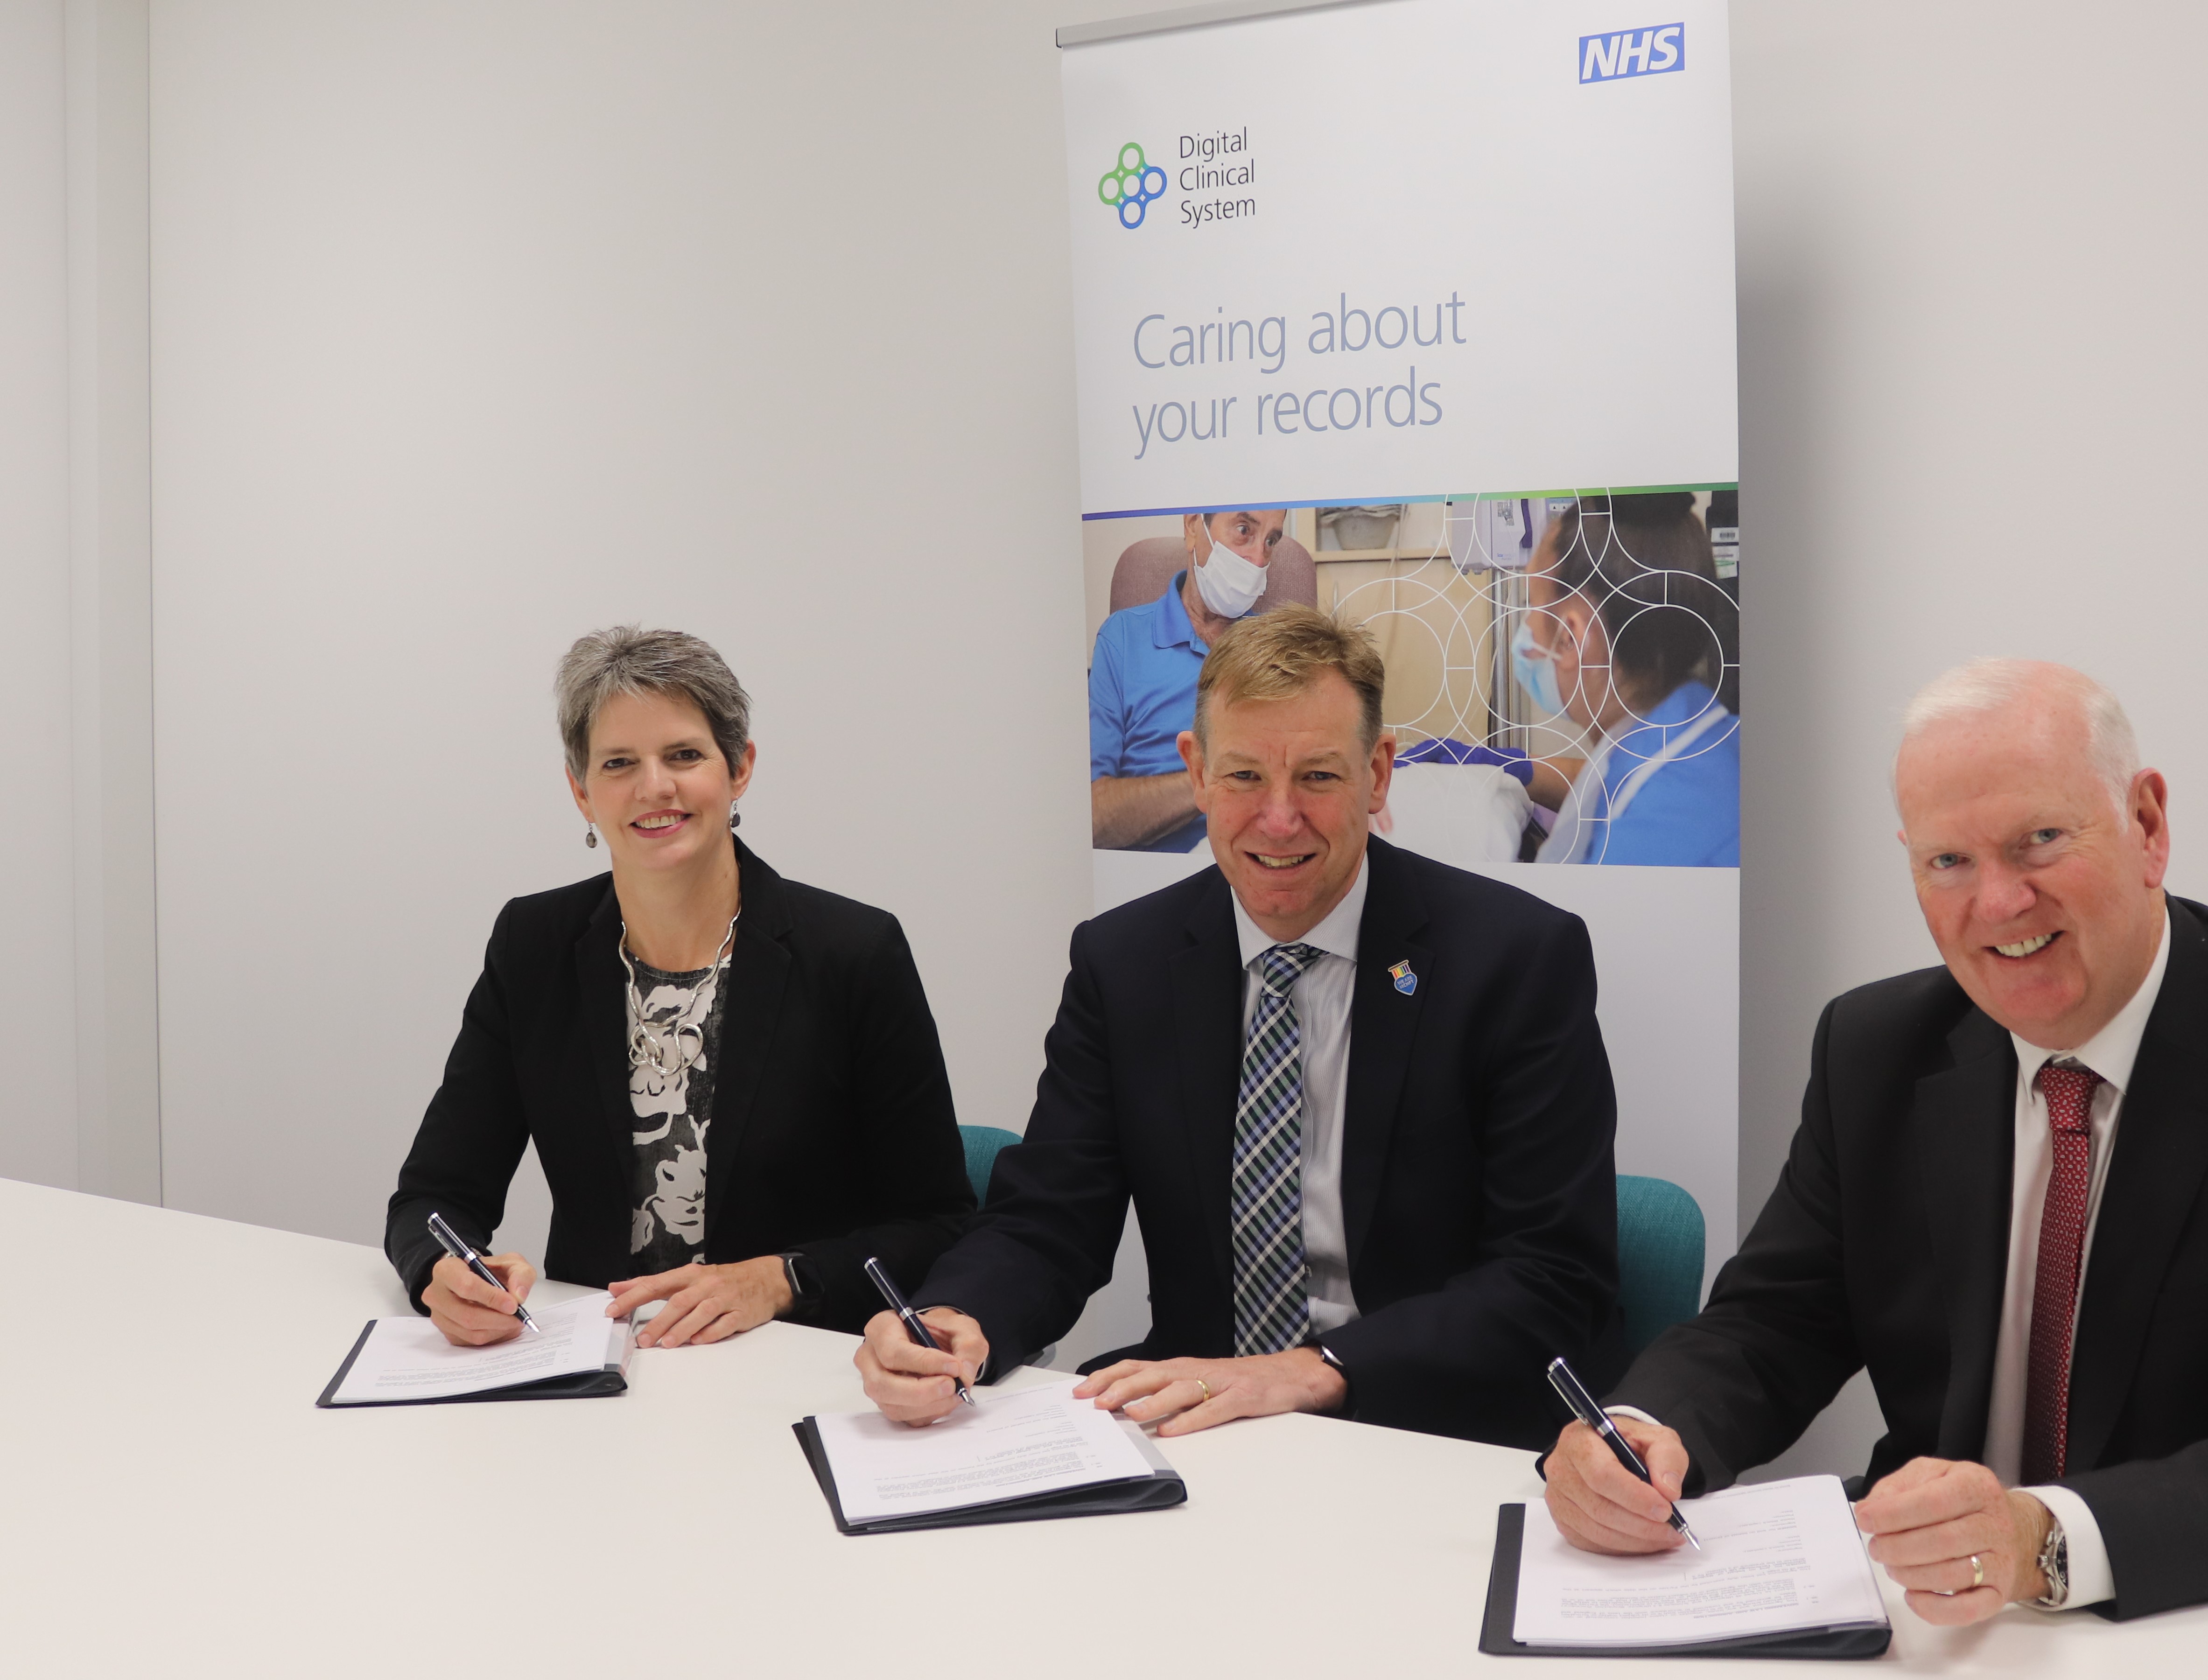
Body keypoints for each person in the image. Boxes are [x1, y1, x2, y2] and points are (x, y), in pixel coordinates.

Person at [1542, 659, 2208, 1622]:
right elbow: (1774, 1322)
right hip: (1932, 1618)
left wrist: (2037, 1539)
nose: (1998, 903)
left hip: (2193, 1618)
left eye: (2040, 841)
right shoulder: (1875, 1049)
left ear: (2147, 826)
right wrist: (1638, 1434)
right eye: (1948, 862)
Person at [860, 605, 1625, 1448]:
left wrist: (1312, 1368)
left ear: (1378, 775)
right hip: (1199, 1425)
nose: (1280, 817)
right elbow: (1047, 1220)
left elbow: (1552, 1279)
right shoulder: (1126, 961)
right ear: (1196, 773)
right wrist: (953, 1319)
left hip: (1424, 1433)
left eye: (1320, 778)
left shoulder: (1514, 960)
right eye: (1245, 777)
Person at [385, 626, 977, 1349]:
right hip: (598, 1366)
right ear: (581, 792)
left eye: (685, 755)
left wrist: (782, 1277)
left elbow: (938, 1222)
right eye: (619, 763)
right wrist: (441, 1271)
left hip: (788, 1360)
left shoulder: (854, 953)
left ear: (740, 768)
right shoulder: (533, 945)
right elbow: (434, 1196)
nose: (654, 787)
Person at [1512, 494, 1740, 866]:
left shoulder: (1636, 847)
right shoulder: (1710, 736)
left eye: (1533, 606)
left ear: (1571, 639)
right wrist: (1516, 766)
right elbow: (1611, 781)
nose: (1526, 632)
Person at [1089, 507, 1291, 852]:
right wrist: (1216, 782)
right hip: (1147, 868)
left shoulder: (1277, 646)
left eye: (1271, 540)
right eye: (1244, 530)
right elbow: (1092, 818)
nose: (1259, 560)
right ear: (1194, 526)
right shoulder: (1123, 638)